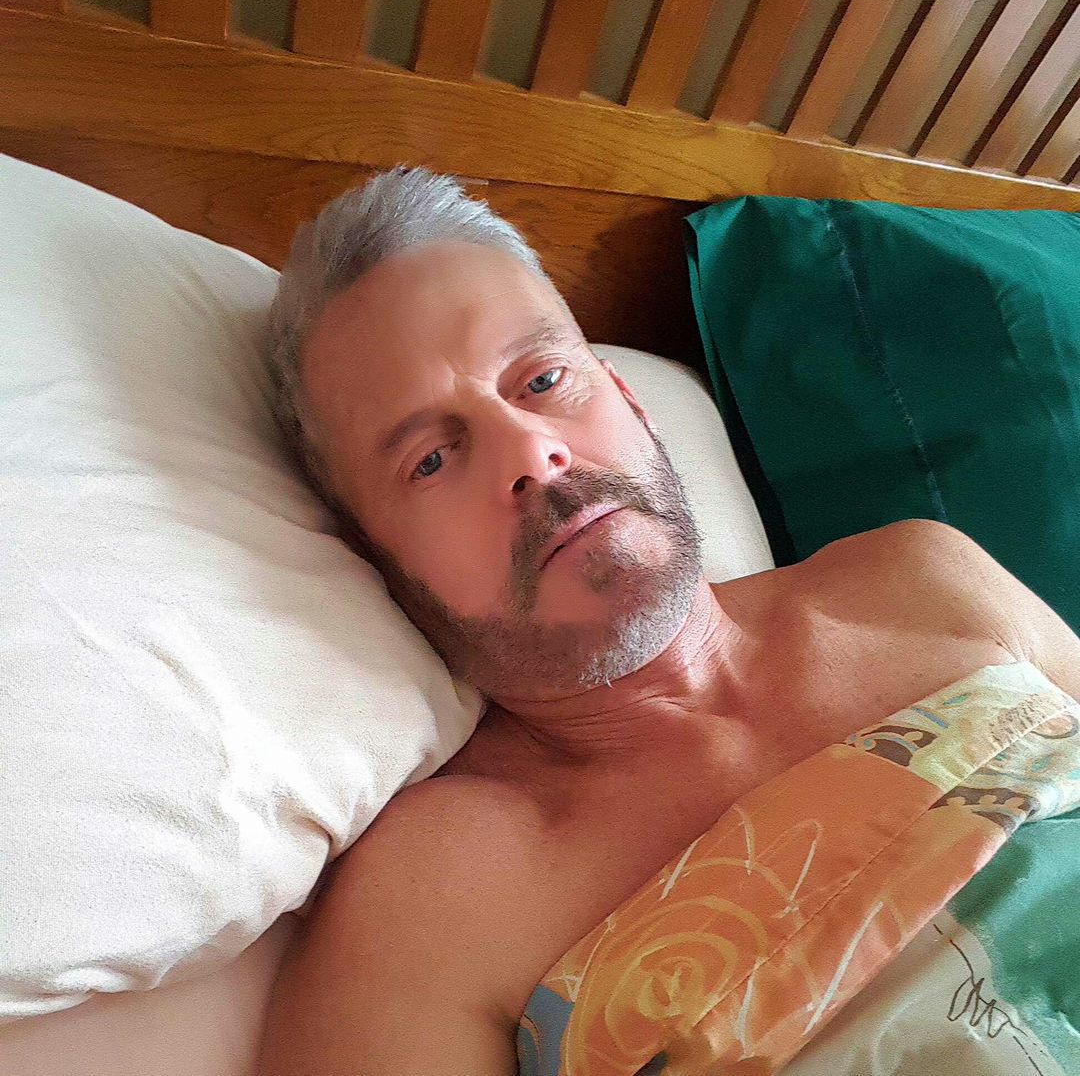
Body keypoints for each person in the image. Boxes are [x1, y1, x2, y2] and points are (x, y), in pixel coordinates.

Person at [254, 166, 1080, 1075]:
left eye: (543, 378)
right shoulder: (430, 904)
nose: (531, 449)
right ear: (378, 559)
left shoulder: (925, 579)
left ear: (631, 399)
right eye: (431, 459)